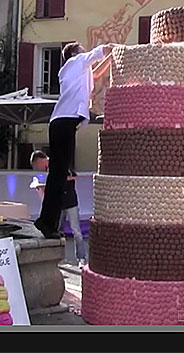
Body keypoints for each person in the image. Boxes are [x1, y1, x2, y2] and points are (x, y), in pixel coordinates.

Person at [34, 42, 114, 238]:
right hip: (64, 122)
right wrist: (115, 48)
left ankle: (47, 222)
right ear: (75, 53)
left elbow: (94, 74)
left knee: (58, 175)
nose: (85, 51)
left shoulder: (75, 70)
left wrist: (111, 58)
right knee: (58, 176)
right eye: (82, 49)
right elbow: (100, 51)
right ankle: (46, 223)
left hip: (63, 123)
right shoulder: (75, 62)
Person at [30, 150, 87, 266]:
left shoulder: (59, 162)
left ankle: (81, 258)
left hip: (70, 202)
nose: (39, 167)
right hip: (59, 204)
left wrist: (58, 180)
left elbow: (73, 176)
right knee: (57, 231)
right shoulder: (49, 168)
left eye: (37, 165)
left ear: (40, 160)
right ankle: (59, 258)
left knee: (76, 231)